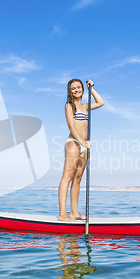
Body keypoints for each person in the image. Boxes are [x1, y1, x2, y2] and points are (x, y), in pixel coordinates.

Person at [58, 79, 104, 222]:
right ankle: (62, 214)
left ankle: (74, 212)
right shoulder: (69, 106)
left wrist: (92, 89)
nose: (76, 90)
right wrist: (81, 141)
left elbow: (101, 102)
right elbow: (71, 126)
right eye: (73, 88)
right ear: (69, 91)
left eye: (79, 87)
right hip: (73, 143)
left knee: (77, 179)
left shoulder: (85, 106)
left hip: (84, 145)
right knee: (67, 177)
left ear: (82, 89)